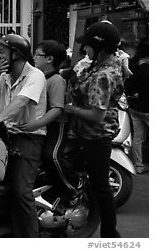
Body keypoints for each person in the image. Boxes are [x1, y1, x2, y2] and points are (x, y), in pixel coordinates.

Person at [0, 34, 46, 238]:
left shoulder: (35, 75)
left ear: (15, 54)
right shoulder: (5, 76)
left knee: (20, 191)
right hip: (6, 135)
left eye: (1, 51)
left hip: (29, 136)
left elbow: (22, 101)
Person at [63, 21, 124, 238]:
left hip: (96, 136)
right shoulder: (99, 66)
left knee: (100, 186)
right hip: (84, 133)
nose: (85, 50)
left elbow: (97, 115)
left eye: (88, 46)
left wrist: (71, 109)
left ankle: (110, 234)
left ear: (100, 47)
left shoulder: (103, 74)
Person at [21, 40, 81, 206]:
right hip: (41, 125)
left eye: (37, 54)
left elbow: (57, 110)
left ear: (49, 59)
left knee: (51, 156)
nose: (34, 57)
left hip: (57, 125)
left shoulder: (56, 80)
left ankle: (73, 185)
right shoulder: (35, 77)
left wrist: (36, 124)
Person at [125, 39, 149, 174]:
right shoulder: (149, 69)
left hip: (135, 108)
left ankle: (139, 166)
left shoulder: (133, 65)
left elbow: (128, 86)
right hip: (148, 109)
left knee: (138, 138)